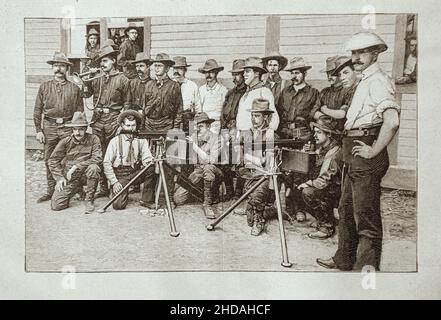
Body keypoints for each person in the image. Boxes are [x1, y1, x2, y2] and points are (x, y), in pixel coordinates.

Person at [316, 31, 400, 271]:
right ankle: (344, 259)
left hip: (365, 152)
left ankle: (367, 270)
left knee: (365, 215)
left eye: (362, 52)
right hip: (353, 150)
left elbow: (392, 121)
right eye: (354, 52)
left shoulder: (378, 81)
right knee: (346, 209)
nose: (356, 57)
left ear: (375, 53)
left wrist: (373, 150)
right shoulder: (364, 80)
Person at [34, 52, 84, 203]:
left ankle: (77, 189)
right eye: (56, 66)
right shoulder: (44, 87)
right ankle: (51, 190)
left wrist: (77, 129)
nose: (58, 69)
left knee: (71, 157)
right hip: (49, 126)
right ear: (52, 68)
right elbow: (37, 110)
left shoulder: (74, 88)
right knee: (49, 158)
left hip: (68, 126)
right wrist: (38, 130)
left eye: (62, 66)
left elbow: (79, 111)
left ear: (67, 69)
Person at [82, 45, 130, 198]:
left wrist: (120, 124)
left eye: (106, 61)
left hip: (113, 121)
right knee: (98, 154)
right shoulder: (97, 78)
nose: (102, 64)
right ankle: (102, 187)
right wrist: (85, 82)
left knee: (114, 155)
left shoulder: (123, 79)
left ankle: (114, 188)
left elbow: (127, 105)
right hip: (97, 120)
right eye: (101, 61)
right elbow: (87, 95)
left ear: (113, 61)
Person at [142, 53, 183, 208]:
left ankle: (166, 198)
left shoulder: (174, 86)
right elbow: (143, 110)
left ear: (167, 68)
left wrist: (175, 130)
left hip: (167, 127)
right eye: (155, 66)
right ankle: (147, 199)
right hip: (150, 128)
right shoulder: (148, 85)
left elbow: (179, 111)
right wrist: (144, 128)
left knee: (168, 165)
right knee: (149, 163)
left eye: (159, 66)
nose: (156, 68)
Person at [294, 116, 342, 239]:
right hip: (327, 186)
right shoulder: (323, 148)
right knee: (296, 179)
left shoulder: (333, 152)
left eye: (319, 133)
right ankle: (320, 218)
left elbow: (324, 180)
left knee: (308, 192)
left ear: (329, 134)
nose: (315, 135)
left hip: (335, 190)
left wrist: (308, 183)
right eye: (315, 132)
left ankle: (326, 227)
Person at [48, 112, 102, 213]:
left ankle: (89, 199)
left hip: (86, 174)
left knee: (94, 168)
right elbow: (53, 160)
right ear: (72, 129)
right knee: (57, 205)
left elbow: (97, 158)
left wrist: (76, 166)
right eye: (75, 129)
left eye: (81, 129)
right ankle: (76, 189)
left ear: (86, 129)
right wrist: (59, 178)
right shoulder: (66, 141)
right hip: (70, 177)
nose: (78, 132)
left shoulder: (94, 139)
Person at [174, 112, 225, 218]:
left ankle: (207, 204)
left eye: (201, 126)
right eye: (196, 126)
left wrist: (195, 146)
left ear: (209, 126)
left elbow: (211, 160)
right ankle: (206, 195)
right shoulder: (194, 137)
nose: (197, 129)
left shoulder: (217, 139)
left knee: (208, 168)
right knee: (178, 199)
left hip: (214, 172)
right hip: (198, 172)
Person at [238, 98, 277, 236]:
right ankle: (254, 208)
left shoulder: (271, 134)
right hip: (251, 173)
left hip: (264, 176)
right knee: (249, 213)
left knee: (256, 198)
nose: (253, 119)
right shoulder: (248, 133)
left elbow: (266, 161)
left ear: (266, 117)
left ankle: (259, 220)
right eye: (252, 116)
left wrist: (247, 157)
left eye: (257, 116)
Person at [103, 110, 155, 210]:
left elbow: (147, 158)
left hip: (135, 173)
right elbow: (106, 163)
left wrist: (149, 161)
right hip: (120, 175)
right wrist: (114, 182)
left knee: (151, 168)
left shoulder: (141, 141)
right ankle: (116, 190)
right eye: (128, 125)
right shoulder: (114, 141)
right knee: (118, 206)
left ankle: (146, 200)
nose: (131, 129)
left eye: (133, 126)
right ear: (122, 126)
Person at [219, 59, 247, 200]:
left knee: (240, 163)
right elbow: (224, 111)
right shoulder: (230, 93)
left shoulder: (247, 93)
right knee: (225, 163)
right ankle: (229, 191)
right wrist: (224, 130)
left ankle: (238, 192)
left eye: (238, 74)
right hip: (227, 130)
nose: (235, 77)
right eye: (234, 74)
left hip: (239, 131)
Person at [277, 57, 319, 141]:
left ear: (305, 74)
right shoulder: (285, 92)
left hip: (303, 134)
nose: (294, 76)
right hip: (284, 133)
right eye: (292, 73)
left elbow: (314, 116)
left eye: (297, 73)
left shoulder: (313, 93)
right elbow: (279, 111)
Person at [312, 56, 357, 132]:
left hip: (342, 132)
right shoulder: (324, 92)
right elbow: (313, 111)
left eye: (332, 73)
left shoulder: (349, 90)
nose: (329, 76)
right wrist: (324, 118)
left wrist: (324, 109)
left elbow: (342, 114)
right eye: (328, 73)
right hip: (324, 131)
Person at [235, 57, 279, 132]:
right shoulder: (245, 94)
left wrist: (268, 132)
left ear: (256, 73)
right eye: (244, 72)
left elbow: (274, 117)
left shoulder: (264, 91)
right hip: (242, 137)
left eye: (247, 71)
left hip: (256, 138)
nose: (244, 75)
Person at [198, 59, 228, 134]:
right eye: (206, 72)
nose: (208, 75)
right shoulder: (201, 90)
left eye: (211, 72)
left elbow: (225, 111)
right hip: (203, 125)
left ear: (216, 73)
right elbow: (198, 109)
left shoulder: (223, 90)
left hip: (217, 125)